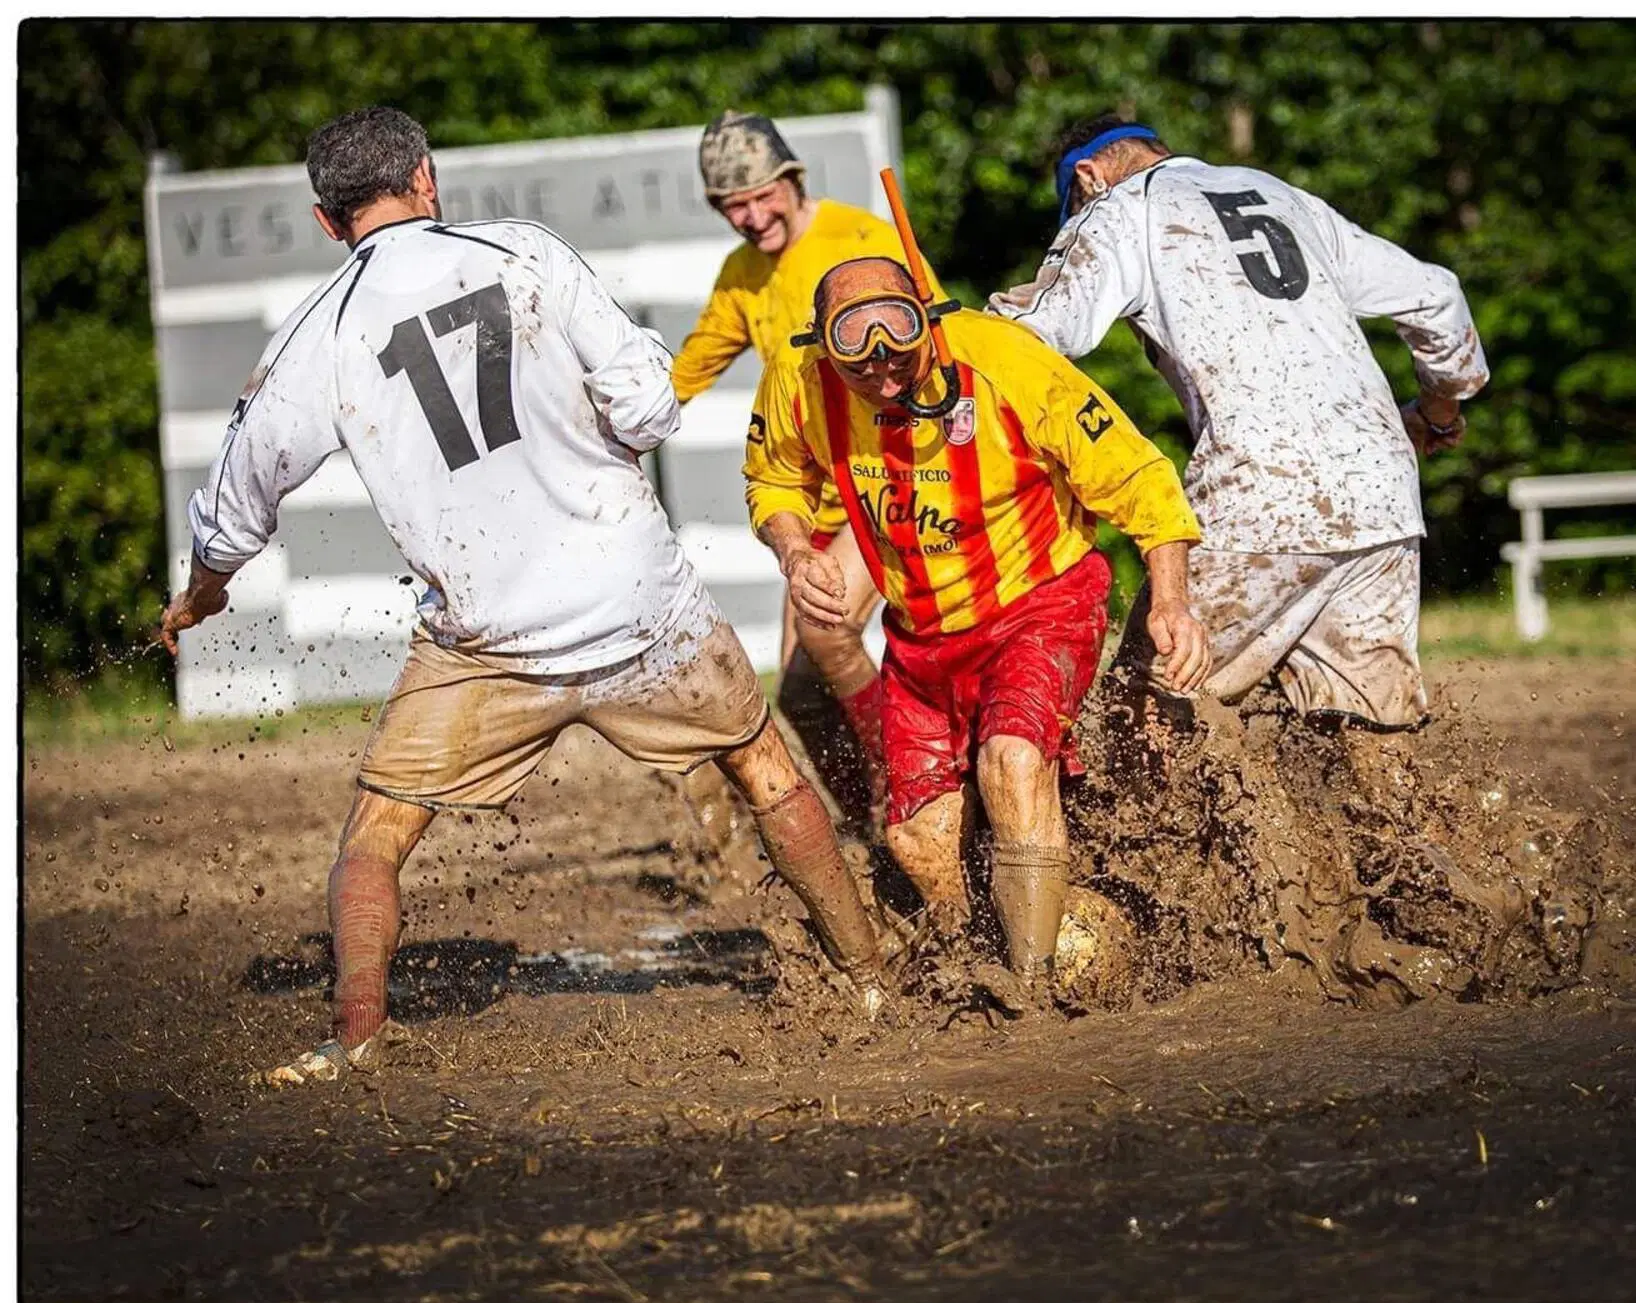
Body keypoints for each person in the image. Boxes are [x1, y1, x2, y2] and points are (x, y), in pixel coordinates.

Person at [160, 107, 887, 1086]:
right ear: (426, 177)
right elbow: (647, 402)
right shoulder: (524, 252)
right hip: (639, 604)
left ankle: (354, 1038)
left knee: (375, 838)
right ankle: (872, 980)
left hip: (484, 636)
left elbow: (238, 498)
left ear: (328, 221)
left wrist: (202, 592)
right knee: (765, 771)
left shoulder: (319, 332)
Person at [743, 256, 1210, 1012]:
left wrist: (1172, 602)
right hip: (923, 638)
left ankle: (1027, 1001)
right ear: (823, 348)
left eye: (901, 351)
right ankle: (996, 950)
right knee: (918, 843)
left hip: (1041, 603)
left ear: (928, 316)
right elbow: (773, 479)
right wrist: (796, 551)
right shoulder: (798, 382)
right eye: (860, 366)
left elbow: (1140, 475)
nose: (887, 378)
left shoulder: (1006, 359)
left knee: (1013, 759)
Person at [989, 113, 1489, 753]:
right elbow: (1437, 294)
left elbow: (1034, 329)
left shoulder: (1117, 208)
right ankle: (1416, 851)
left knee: (1142, 717)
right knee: (1369, 737)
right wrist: (1439, 411)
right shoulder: (1280, 193)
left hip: (1258, 495)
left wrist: (944, 339)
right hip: (1382, 487)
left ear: (1088, 176)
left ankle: (1145, 856)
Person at [673, 111, 943, 825]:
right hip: (821, 506)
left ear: (794, 181)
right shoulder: (743, 275)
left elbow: (935, 340)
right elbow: (687, 370)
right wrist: (600, 422)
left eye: (765, 195)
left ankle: (918, 798)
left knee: (832, 637)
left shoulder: (861, 241)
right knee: (797, 693)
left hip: (892, 477)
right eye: (734, 204)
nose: (753, 215)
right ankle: (877, 823)